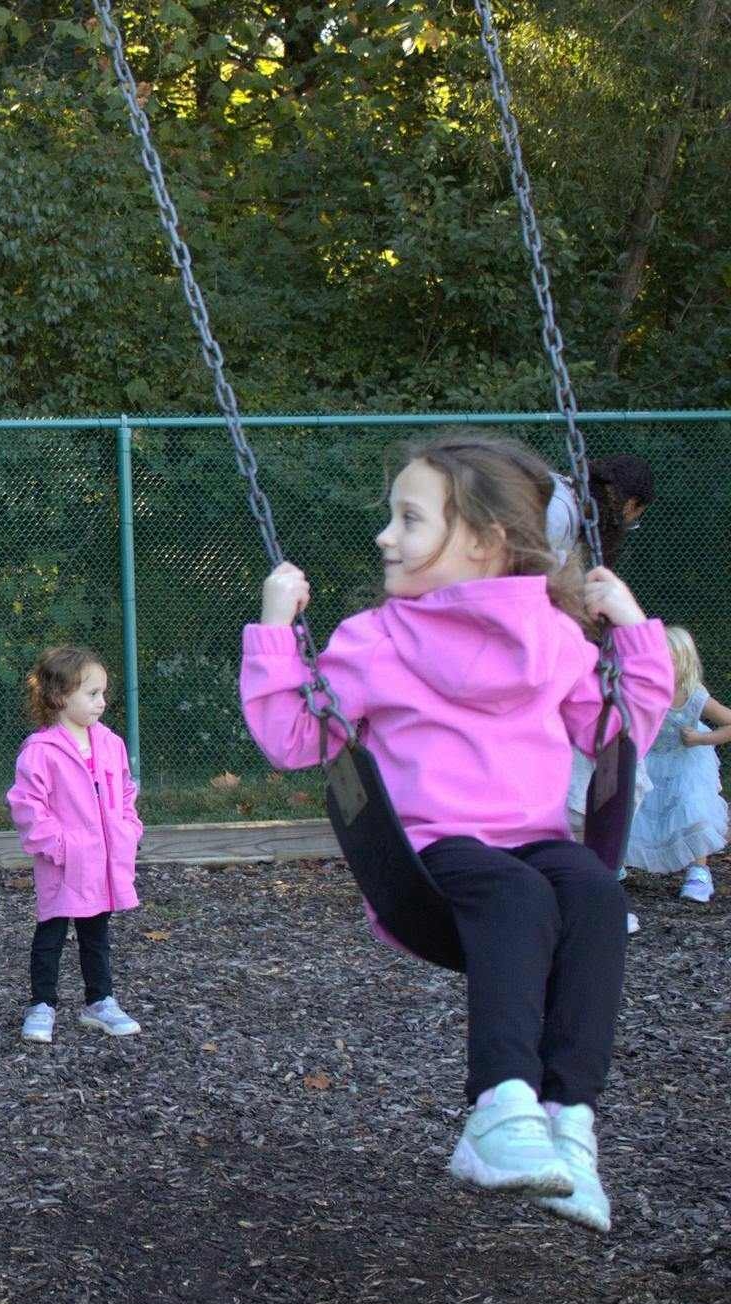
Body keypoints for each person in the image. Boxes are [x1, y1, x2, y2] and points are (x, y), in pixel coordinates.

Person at [241, 429, 672, 1234]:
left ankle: (567, 1122)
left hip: (534, 837)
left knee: (590, 891)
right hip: (431, 857)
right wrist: (274, 629)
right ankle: (499, 1112)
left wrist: (632, 627)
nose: (385, 536)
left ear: (482, 543)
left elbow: (619, 729)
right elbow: (296, 738)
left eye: (409, 519)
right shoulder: (376, 637)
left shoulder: (554, 635)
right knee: (514, 892)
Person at [5, 646, 145, 1044]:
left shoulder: (111, 744)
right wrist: (61, 847)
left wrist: (128, 829)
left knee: (95, 935)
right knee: (50, 935)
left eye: (103, 693)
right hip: (64, 866)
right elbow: (27, 806)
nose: (102, 702)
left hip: (102, 865)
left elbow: (126, 791)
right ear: (60, 696)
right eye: (92, 693)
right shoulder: (41, 751)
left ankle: (99, 1002)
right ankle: (42, 1004)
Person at [547, 454, 658, 933]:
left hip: (551, 647)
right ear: (628, 502)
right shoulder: (559, 509)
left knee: (613, 766)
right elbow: (537, 588)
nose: (633, 523)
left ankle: (590, 888)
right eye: (637, 513)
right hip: (530, 643)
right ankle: (583, 893)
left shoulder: (570, 508)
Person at [626, 626, 729, 904]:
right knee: (635, 810)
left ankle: (699, 871)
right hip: (650, 761)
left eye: (668, 661)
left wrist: (701, 739)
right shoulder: (642, 693)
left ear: (684, 663)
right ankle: (616, 865)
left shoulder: (695, 696)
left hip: (688, 763)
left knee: (694, 808)